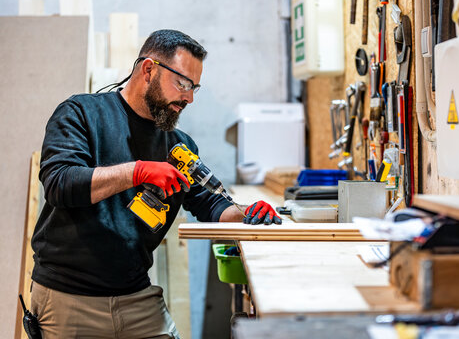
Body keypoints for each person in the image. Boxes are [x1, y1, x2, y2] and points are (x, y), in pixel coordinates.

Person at [30, 29, 282, 338]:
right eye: (182, 84)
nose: (189, 97)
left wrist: (247, 213)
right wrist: (138, 172)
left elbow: (210, 204)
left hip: (136, 295)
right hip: (68, 298)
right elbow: (60, 183)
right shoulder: (82, 113)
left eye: (195, 88)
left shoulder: (178, 145)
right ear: (149, 69)